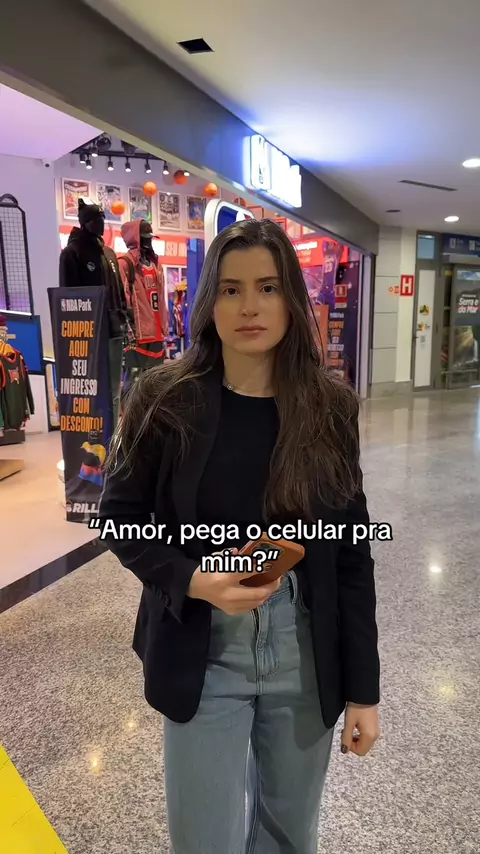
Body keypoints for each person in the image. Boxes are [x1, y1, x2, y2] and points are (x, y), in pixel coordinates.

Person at [99, 218, 380, 854]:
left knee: (290, 834)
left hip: (304, 649)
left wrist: (364, 690)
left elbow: (352, 557)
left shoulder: (329, 409)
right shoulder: (164, 400)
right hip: (205, 649)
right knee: (205, 839)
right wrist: (194, 580)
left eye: (268, 287)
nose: (250, 306)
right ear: (210, 302)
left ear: (292, 300)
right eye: (231, 290)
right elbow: (118, 517)